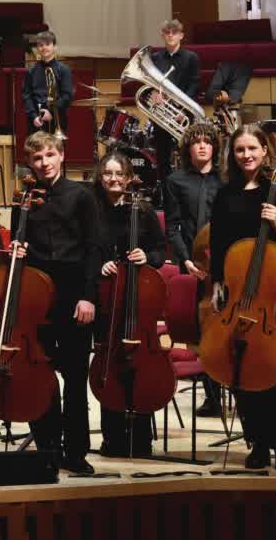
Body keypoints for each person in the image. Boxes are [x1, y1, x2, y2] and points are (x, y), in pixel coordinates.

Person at [208, 123, 276, 472]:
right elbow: (219, 242)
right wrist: (217, 282)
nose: (246, 155)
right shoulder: (226, 194)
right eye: (240, 150)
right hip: (239, 293)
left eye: (252, 148)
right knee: (242, 368)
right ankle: (258, 443)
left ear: (265, 150)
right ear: (232, 155)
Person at [12, 130, 103, 475]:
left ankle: (76, 451)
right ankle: (47, 446)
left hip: (73, 294)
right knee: (41, 376)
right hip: (37, 299)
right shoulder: (26, 198)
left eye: (49, 155)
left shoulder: (81, 196)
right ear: (30, 163)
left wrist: (88, 296)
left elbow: (94, 248)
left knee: (75, 378)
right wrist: (18, 250)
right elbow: (22, 244)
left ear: (61, 156)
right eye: (37, 158)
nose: (44, 163)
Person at [92, 150, 165, 458]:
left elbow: (161, 249)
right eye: (108, 173)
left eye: (119, 174)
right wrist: (100, 264)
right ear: (100, 176)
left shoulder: (143, 210)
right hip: (106, 297)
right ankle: (112, 438)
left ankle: (141, 438)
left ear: (128, 178)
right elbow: (83, 245)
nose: (113, 179)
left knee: (142, 364)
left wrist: (148, 256)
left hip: (137, 297)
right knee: (109, 364)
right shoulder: (91, 208)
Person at [161, 122, 226, 417]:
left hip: (223, 264)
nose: (202, 146)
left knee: (223, 325)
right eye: (196, 142)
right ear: (188, 148)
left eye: (207, 141)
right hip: (190, 262)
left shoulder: (226, 180)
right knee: (199, 328)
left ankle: (230, 384)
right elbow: (173, 225)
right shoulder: (175, 181)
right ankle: (211, 395)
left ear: (215, 147)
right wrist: (185, 259)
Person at [146, 19, 202, 171]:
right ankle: (164, 190)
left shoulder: (191, 57)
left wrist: (183, 110)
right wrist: (153, 93)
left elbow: (194, 84)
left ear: (181, 36)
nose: (170, 35)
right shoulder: (155, 58)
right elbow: (150, 84)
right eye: (167, 32)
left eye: (174, 32)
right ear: (162, 35)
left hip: (183, 114)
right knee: (162, 157)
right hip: (162, 115)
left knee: (187, 154)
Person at [23, 32, 75, 137]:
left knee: (56, 151)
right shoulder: (31, 71)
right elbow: (26, 96)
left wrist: (51, 111)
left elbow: (67, 96)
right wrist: (33, 116)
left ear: (54, 47)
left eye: (47, 44)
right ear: (37, 48)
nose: (44, 48)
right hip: (36, 120)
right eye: (40, 45)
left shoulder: (64, 70)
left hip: (57, 117)